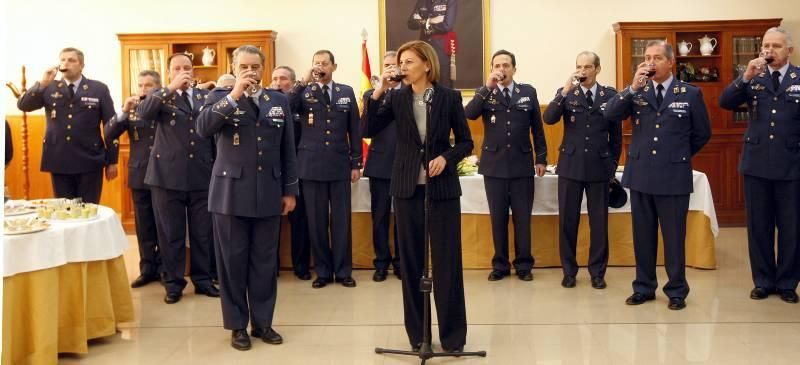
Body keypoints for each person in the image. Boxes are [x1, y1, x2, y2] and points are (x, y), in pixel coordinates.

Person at [365, 40, 473, 352]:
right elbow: (368, 128)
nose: (403, 68)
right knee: (411, 263)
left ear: (427, 64)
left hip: (442, 190)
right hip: (406, 188)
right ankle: (418, 336)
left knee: (446, 263)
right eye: (401, 63)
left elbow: (466, 142)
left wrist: (446, 158)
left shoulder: (449, 98)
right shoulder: (396, 98)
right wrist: (378, 91)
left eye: (409, 62)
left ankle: (453, 339)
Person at [198, 45, 298, 351]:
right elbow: (203, 129)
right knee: (232, 263)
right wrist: (234, 94)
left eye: (255, 66)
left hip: (268, 192)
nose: (250, 72)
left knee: (265, 263)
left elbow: (287, 149)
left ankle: (263, 322)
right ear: (234, 66)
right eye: (244, 66)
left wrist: (290, 190)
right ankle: (237, 325)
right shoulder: (218, 98)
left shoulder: (278, 100)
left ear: (264, 68)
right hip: (230, 194)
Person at [604, 40, 711, 310]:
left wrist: (678, 155)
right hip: (641, 175)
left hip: (673, 175)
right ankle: (644, 286)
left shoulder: (689, 92)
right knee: (643, 235)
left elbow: (702, 133)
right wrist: (631, 88)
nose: (650, 63)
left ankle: (676, 290)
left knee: (674, 236)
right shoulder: (637, 92)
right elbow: (610, 114)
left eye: (657, 58)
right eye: (647, 58)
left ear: (670, 62)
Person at [719, 27, 800, 304]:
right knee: (759, 226)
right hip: (756, 165)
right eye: (766, 45)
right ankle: (763, 281)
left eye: (776, 46)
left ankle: (788, 283)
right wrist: (745, 77)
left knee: (791, 228)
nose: (769, 51)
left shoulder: (798, 78)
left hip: (792, 165)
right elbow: (725, 102)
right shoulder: (753, 78)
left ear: (789, 50)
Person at [137, 52, 219, 304]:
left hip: (201, 175)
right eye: (177, 68)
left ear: (193, 71)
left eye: (186, 67)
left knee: (201, 233)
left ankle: (203, 280)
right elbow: (143, 113)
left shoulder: (205, 97)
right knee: (170, 233)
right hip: (167, 177)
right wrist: (169, 88)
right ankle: (173, 283)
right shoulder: (161, 97)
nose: (182, 71)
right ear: (169, 71)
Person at [464, 49, 546, 282]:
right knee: (497, 218)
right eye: (497, 66)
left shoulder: (527, 92)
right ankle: (500, 264)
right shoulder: (486, 93)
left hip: (522, 165)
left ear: (514, 69)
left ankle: (523, 265)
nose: (501, 70)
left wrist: (541, 158)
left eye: (506, 65)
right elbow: (469, 114)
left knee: (522, 218)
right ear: (491, 70)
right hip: (494, 166)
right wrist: (486, 87)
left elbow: (537, 129)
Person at [542, 51, 622, 289]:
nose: (583, 71)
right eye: (579, 66)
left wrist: (612, 166)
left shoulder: (610, 95)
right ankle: (569, 271)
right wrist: (565, 90)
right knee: (568, 221)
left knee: (599, 223)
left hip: (600, 167)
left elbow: (616, 137)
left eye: (588, 67)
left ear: (598, 69)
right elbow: (549, 118)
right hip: (571, 166)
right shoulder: (566, 93)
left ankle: (597, 272)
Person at [287, 50, 362, 288]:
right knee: (316, 222)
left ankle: (343, 271)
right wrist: (302, 81)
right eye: (316, 63)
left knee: (341, 222)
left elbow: (355, 129)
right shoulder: (304, 91)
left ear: (334, 66)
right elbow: (287, 107)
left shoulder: (346, 92)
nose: (320, 67)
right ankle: (323, 271)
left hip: (339, 165)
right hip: (310, 167)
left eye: (324, 63)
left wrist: (356, 162)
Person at [17, 47, 118, 203]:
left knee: (88, 211)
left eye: (71, 60)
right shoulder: (49, 87)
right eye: (63, 59)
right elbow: (24, 105)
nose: (66, 63)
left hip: (90, 159)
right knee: (64, 211)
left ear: (81, 65)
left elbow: (111, 125)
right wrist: (42, 83)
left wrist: (112, 161)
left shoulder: (98, 89)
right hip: (59, 158)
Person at [104, 70, 164, 288]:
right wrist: (123, 111)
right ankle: (147, 269)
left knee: (164, 226)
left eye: (148, 85)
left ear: (158, 87)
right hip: (140, 174)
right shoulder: (132, 109)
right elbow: (109, 133)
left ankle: (166, 269)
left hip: (164, 175)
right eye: (140, 85)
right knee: (144, 225)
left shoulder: (165, 107)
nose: (143, 89)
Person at [361, 51, 401, 282]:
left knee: (403, 218)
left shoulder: (411, 91)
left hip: (406, 164)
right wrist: (381, 89)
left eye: (395, 65)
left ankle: (401, 263)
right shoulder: (371, 94)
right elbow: (365, 129)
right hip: (380, 164)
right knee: (380, 217)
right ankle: (381, 263)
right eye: (386, 65)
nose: (390, 69)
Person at [271, 65, 312, 280]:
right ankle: (272, 267)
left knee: (300, 222)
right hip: (271, 172)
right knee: (271, 224)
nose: (278, 82)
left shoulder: (299, 101)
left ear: (293, 82)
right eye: (275, 78)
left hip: (297, 170)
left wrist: (299, 87)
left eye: (283, 79)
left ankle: (301, 266)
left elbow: (289, 103)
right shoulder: (266, 102)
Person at [408, 0, 457, 88]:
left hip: (441, 48)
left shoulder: (449, 1)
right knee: (424, 80)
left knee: (443, 82)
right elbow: (411, 23)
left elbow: (446, 25)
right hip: (424, 48)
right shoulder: (421, 2)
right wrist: (429, 21)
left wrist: (421, 21)